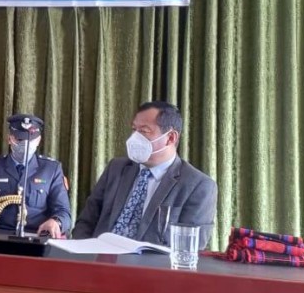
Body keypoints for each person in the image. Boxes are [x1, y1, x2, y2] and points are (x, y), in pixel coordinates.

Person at [73, 101, 217, 248]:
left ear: (171, 138)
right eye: (134, 130)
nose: (134, 138)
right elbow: (86, 221)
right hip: (99, 260)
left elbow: (189, 247)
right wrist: (83, 253)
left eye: (144, 131)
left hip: (150, 268)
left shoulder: (198, 185)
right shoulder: (116, 168)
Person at [0, 114, 72, 238]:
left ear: (38, 141)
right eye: (19, 140)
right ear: (10, 139)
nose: (25, 145)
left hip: (37, 236)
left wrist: (56, 222)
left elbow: (64, 212)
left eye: (30, 140)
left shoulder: (52, 169)